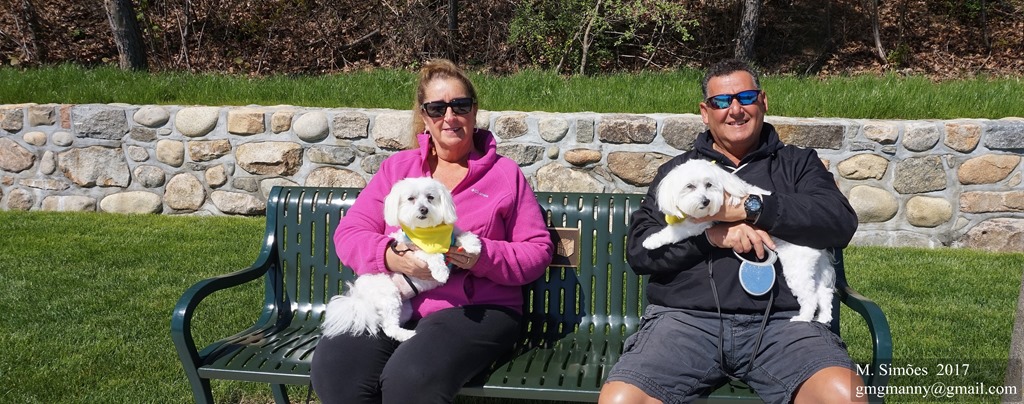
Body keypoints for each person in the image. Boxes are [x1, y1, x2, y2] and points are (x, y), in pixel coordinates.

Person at [598, 59, 863, 404]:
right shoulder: (680, 174)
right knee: (623, 400)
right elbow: (640, 252)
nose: (735, 110)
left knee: (844, 395)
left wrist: (750, 209)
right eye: (721, 101)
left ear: (763, 101)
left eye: (746, 97)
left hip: (783, 324)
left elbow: (839, 222)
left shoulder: (798, 165)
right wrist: (711, 237)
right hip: (686, 323)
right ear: (705, 112)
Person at [310, 59, 554, 404]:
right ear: (424, 117)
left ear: (474, 111)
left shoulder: (505, 175)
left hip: (475, 309)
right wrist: (391, 257)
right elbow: (350, 234)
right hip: (393, 301)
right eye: (437, 108)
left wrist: (481, 257)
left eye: (460, 106)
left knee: (412, 379)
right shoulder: (397, 169)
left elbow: (537, 251)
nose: (450, 116)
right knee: (337, 372)